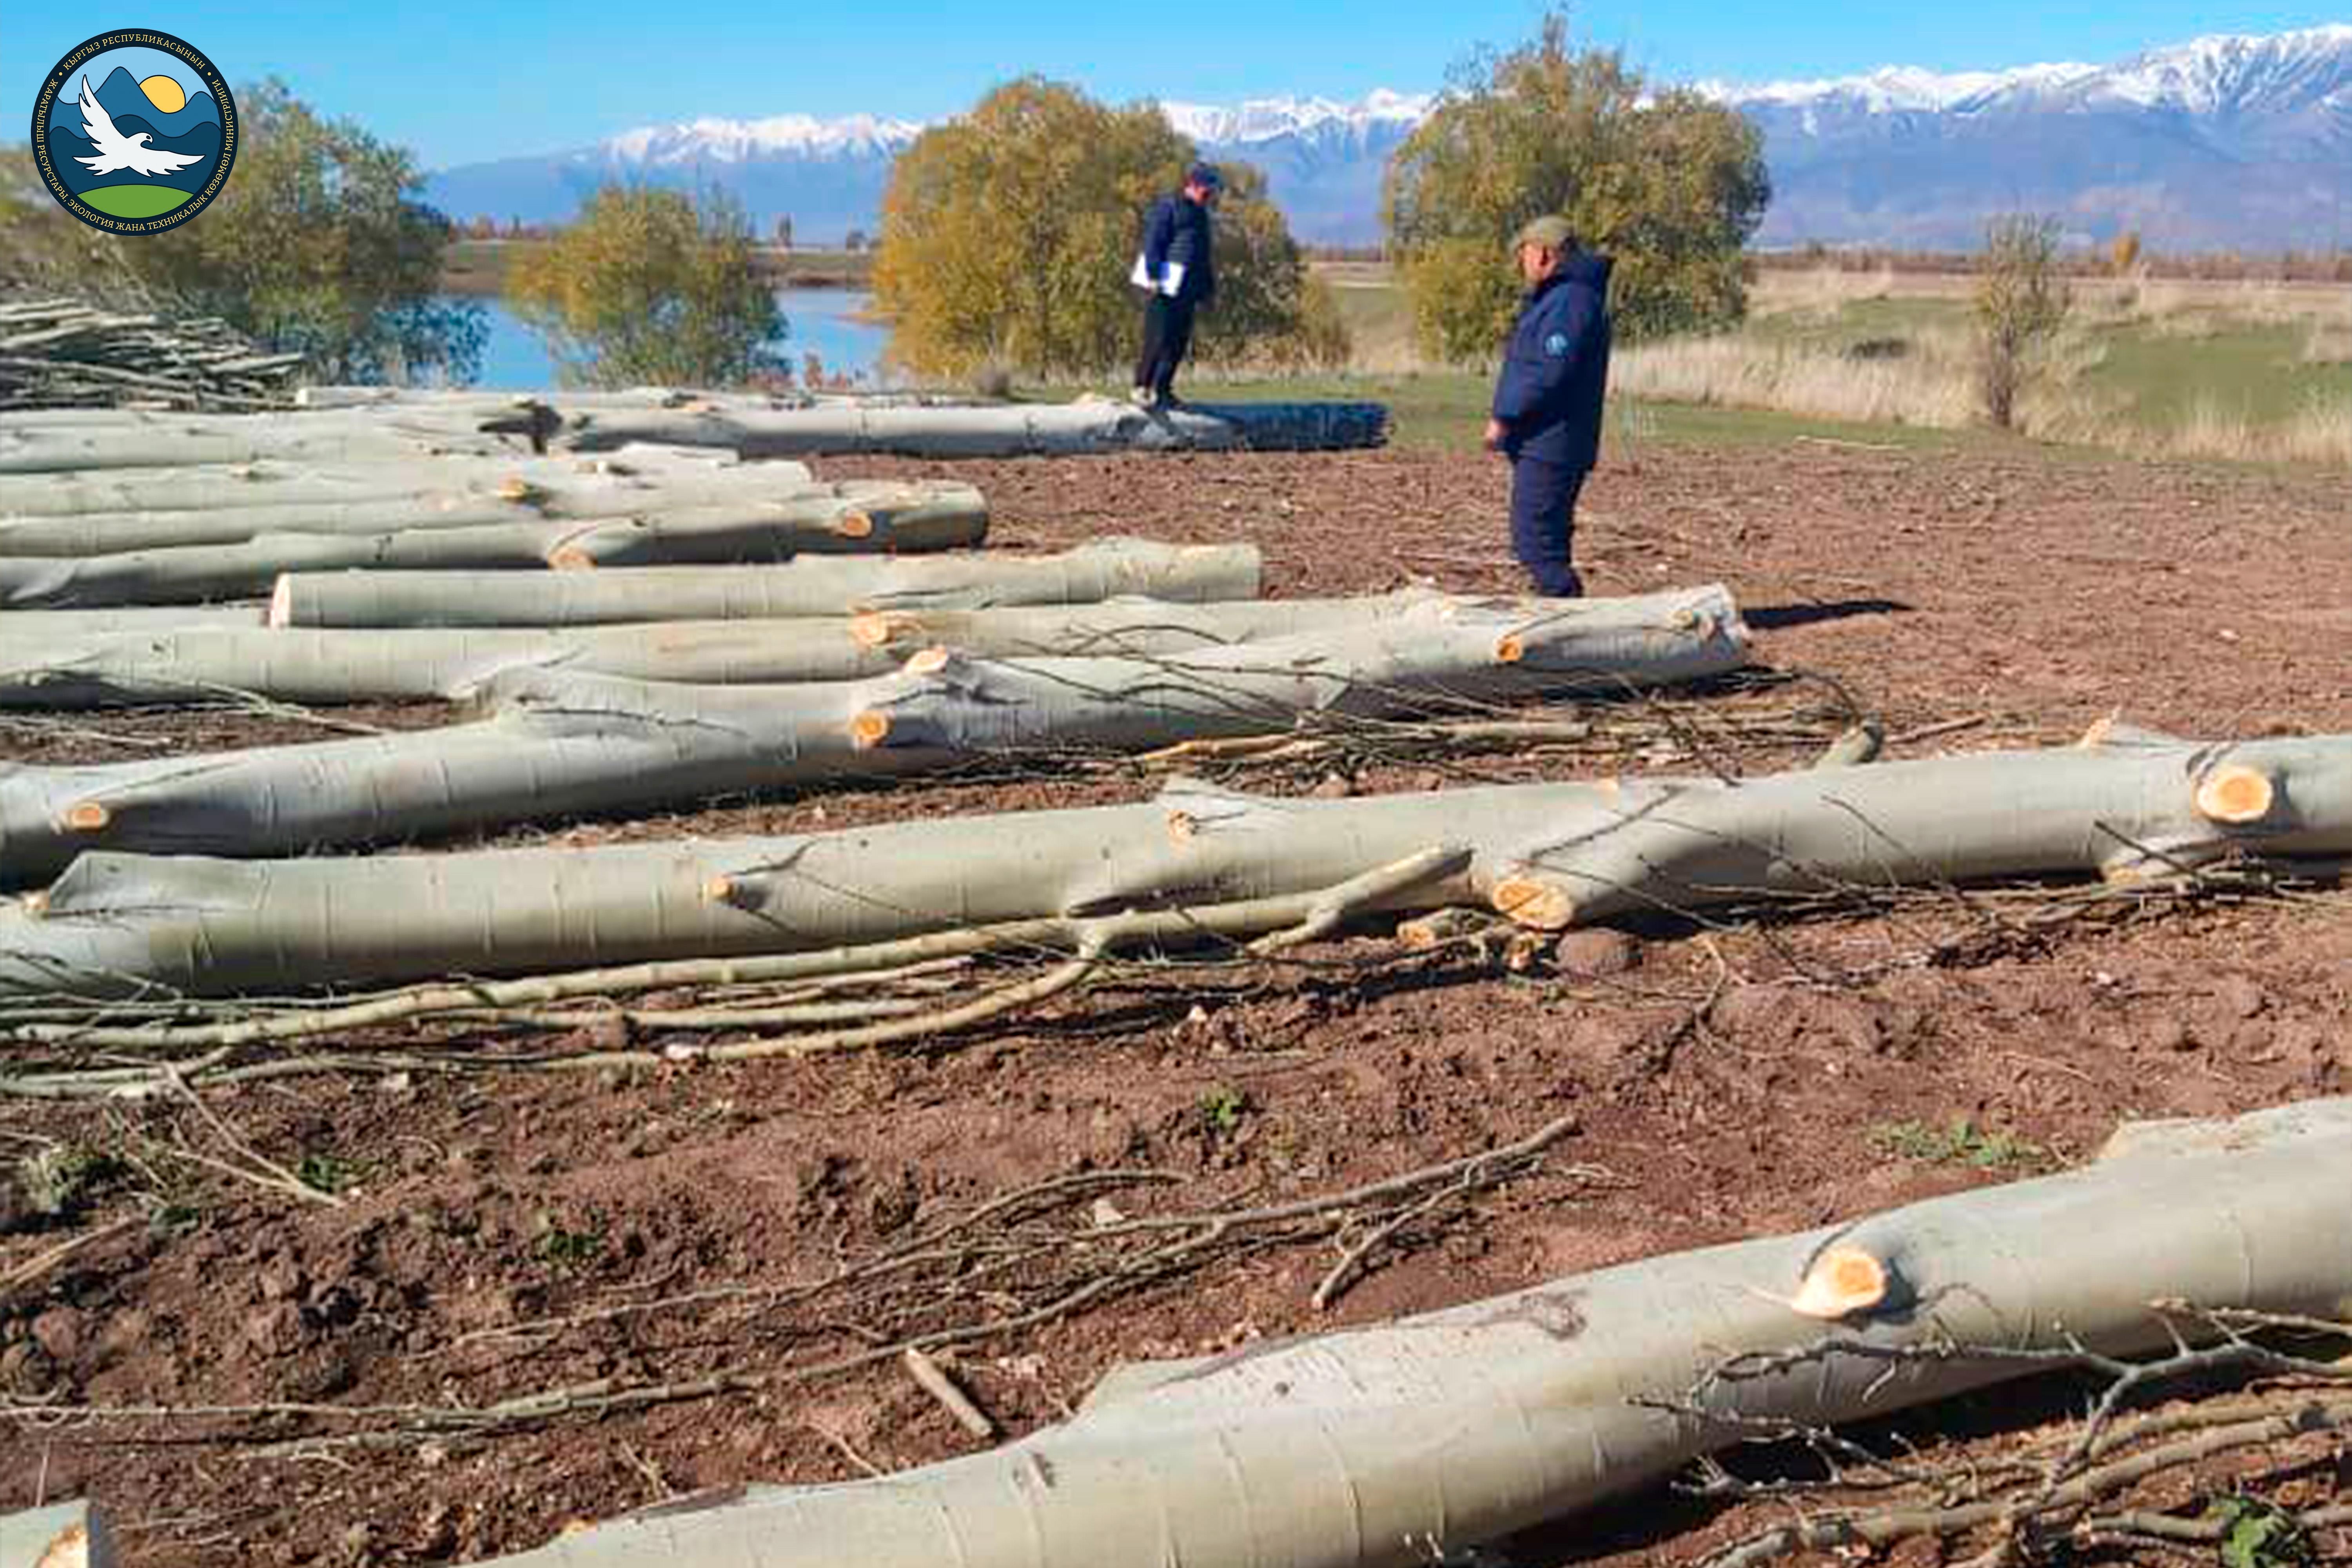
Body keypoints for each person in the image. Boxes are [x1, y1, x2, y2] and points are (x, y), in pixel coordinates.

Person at [1485, 215, 1613, 598]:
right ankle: (1561, 612)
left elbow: (1548, 372)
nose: (1521, 261)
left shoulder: (1571, 302)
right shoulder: (1562, 298)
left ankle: (1567, 607)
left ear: (1544, 254)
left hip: (1554, 442)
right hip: (1548, 441)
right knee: (1548, 538)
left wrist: (1504, 416)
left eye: (1524, 252)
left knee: (1534, 539)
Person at [1131, 163, 1221, 409]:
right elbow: (1154, 243)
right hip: (1164, 285)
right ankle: (1141, 387)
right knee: (1157, 338)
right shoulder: (1169, 207)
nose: (1210, 195)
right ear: (1193, 185)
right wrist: (1154, 276)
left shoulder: (1201, 215)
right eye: (1207, 189)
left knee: (1178, 343)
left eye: (1213, 190)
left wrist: (1208, 290)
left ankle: (1163, 390)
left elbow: (1203, 256)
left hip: (1189, 289)